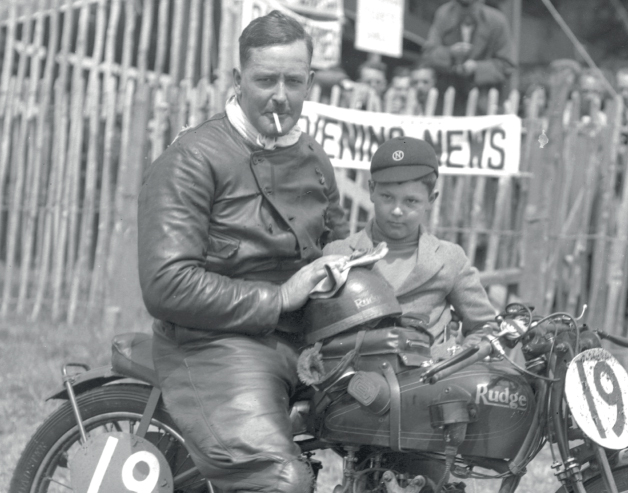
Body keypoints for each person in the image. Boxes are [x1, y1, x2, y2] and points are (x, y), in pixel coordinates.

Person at [137, 11, 348, 493]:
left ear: (311, 81)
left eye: (293, 81)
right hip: (216, 344)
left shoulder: (313, 157)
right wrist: (278, 298)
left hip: (306, 341)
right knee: (280, 482)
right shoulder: (192, 158)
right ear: (237, 79)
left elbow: (333, 236)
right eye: (265, 79)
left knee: (406, 421)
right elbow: (166, 284)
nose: (280, 95)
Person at [323, 137, 496, 352]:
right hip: (356, 380)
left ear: (431, 200)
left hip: (430, 380)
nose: (397, 210)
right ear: (371, 190)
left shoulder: (449, 259)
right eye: (387, 197)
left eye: (411, 201)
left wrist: (454, 360)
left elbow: (484, 327)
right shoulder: (337, 254)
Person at [422, 0, 515, 115]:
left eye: (471, 4)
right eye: (461, 4)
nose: (466, 9)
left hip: (483, 105)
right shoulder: (443, 15)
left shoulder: (497, 21)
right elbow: (428, 55)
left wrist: (476, 68)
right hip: (447, 104)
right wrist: (450, 53)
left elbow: (507, 65)